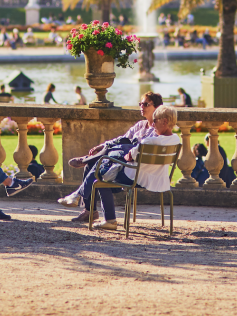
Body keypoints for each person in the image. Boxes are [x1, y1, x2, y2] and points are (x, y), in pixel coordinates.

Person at [60, 92, 164, 223]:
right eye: (140, 104)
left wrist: (122, 148)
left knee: (101, 166)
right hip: (123, 161)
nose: (141, 106)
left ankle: (82, 196)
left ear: (157, 107)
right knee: (94, 164)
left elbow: (141, 151)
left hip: (134, 168)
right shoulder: (140, 125)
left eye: (145, 104)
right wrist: (102, 145)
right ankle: (89, 210)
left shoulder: (158, 130)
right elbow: (122, 139)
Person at [87, 105, 181, 230]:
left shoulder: (148, 142)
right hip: (160, 179)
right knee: (111, 166)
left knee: (101, 177)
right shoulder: (176, 140)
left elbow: (129, 157)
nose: (152, 125)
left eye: (155, 121)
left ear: (165, 121)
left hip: (136, 177)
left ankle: (110, 220)